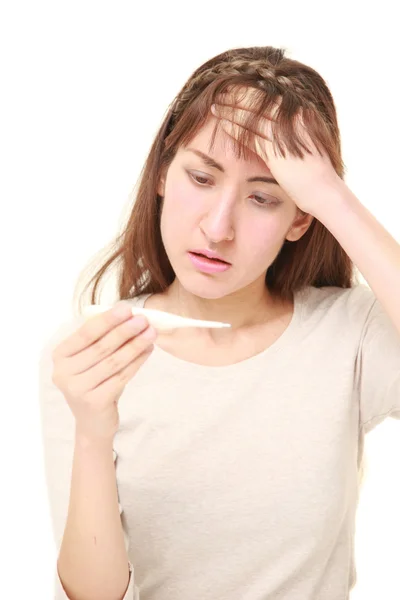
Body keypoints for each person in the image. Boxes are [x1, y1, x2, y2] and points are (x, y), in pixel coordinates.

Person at [38, 45, 400, 600]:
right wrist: (93, 432)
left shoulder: (348, 335)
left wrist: (331, 195)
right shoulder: (95, 353)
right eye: (202, 178)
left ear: (300, 218)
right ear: (162, 173)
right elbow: (95, 593)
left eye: (263, 198)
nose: (218, 227)